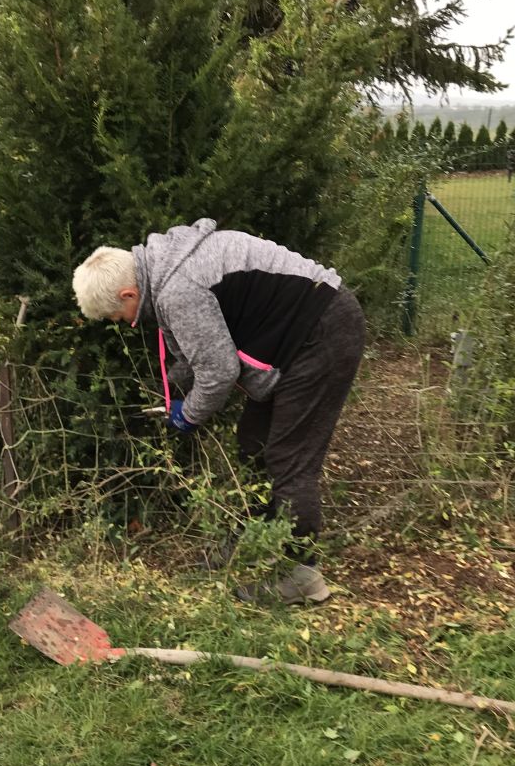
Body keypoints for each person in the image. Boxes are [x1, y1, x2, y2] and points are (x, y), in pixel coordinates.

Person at [72, 218, 365, 605]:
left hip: (322, 332)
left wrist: (188, 415)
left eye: (118, 316)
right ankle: (257, 537)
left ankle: (303, 576)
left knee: (288, 459)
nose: (124, 324)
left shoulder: (178, 290)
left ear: (129, 293)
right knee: (253, 443)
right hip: (299, 336)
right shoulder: (165, 269)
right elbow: (197, 350)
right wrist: (172, 388)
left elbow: (220, 372)